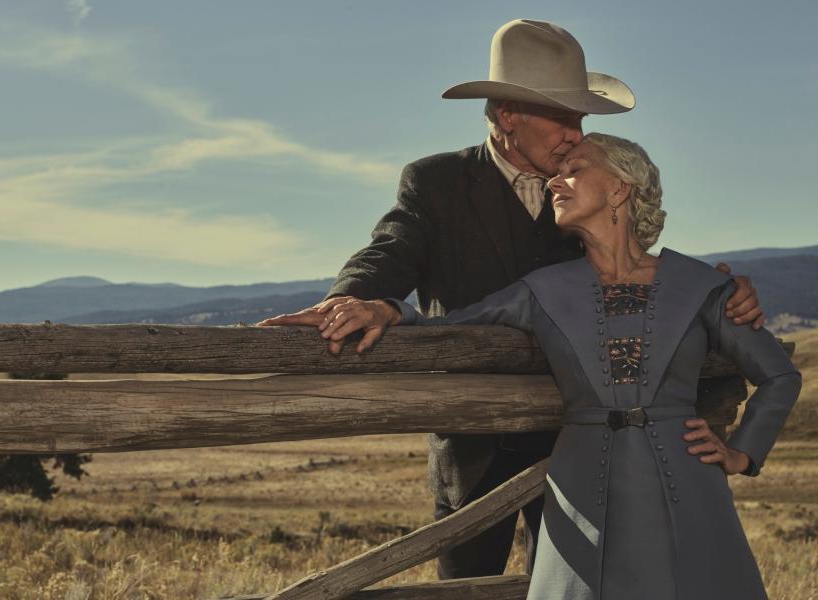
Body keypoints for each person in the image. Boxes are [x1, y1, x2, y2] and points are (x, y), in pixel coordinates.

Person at [258, 19, 764, 579]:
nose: (577, 132)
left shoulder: (583, 185)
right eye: (563, 116)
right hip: (473, 444)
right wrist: (354, 299)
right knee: (467, 589)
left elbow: (637, 265)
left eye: (580, 117)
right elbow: (391, 250)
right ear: (507, 116)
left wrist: (721, 286)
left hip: (582, 448)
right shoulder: (438, 182)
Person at [297, 133, 801, 599]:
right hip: (581, 484)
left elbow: (779, 375)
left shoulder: (702, 286)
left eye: (576, 169)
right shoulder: (542, 290)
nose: (556, 180)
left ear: (621, 189)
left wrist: (741, 453)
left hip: (686, 482)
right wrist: (385, 308)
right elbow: (451, 325)